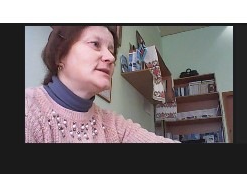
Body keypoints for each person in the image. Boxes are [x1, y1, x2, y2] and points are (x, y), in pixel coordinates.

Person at [25, 25, 177, 143]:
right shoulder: (29, 109)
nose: (111, 58)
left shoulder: (112, 124)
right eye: (95, 44)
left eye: (111, 50)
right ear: (60, 55)